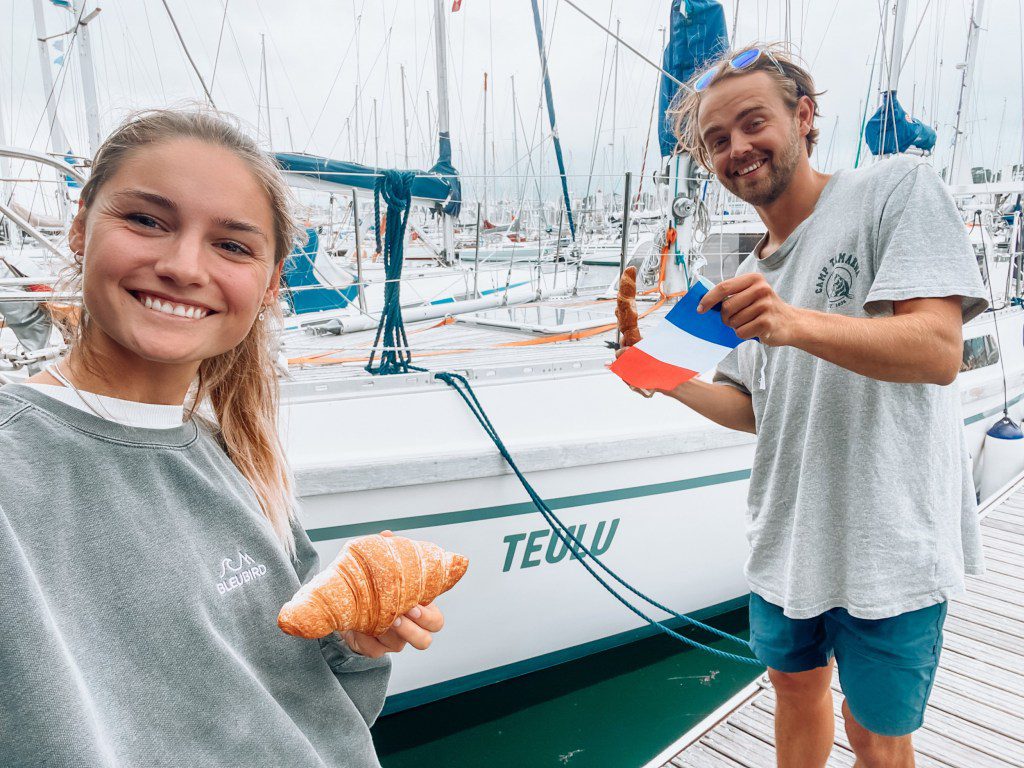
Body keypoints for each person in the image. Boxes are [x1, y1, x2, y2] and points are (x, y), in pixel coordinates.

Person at [0, 109, 443, 767]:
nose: (182, 266)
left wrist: (354, 641)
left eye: (232, 244)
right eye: (147, 221)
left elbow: (320, 714)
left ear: (269, 286)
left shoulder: (237, 455)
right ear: (78, 228)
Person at [626, 45, 988, 767]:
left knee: (878, 737)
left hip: (889, 543)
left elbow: (937, 349)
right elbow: (755, 408)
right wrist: (662, 375)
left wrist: (791, 322)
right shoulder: (749, 273)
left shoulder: (895, 188)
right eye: (717, 140)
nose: (738, 148)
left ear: (805, 115)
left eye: (753, 122)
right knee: (792, 696)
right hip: (784, 544)